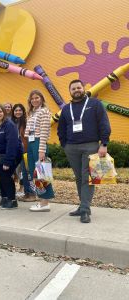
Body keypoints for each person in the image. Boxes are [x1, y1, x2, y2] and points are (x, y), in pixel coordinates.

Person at [58, 79, 111, 223]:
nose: (76, 90)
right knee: (79, 178)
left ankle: (85, 210)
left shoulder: (94, 104)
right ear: (70, 91)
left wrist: (104, 144)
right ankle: (83, 206)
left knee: (87, 177)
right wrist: (64, 144)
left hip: (91, 146)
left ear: (83, 88)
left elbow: (104, 124)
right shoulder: (66, 108)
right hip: (71, 148)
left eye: (78, 88)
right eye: (73, 88)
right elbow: (61, 128)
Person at [24, 90, 55, 212]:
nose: (35, 100)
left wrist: (41, 150)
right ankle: (42, 200)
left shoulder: (44, 111)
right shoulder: (32, 112)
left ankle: (45, 202)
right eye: (32, 98)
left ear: (41, 99)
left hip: (38, 143)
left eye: (37, 98)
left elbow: (44, 131)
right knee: (34, 173)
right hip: (32, 143)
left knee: (42, 173)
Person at [0, 105, 22, 209]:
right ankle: (4, 198)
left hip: (10, 155)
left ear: (4, 113)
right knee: (1, 178)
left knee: (6, 177)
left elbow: (12, 144)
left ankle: (12, 201)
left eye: (0, 112)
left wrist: (8, 161)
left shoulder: (9, 125)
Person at [11, 103, 35, 200]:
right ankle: (27, 193)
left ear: (23, 111)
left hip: (26, 151)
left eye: (20, 110)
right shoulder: (12, 122)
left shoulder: (26, 122)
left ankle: (32, 194)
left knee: (28, 173)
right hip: (16, 152)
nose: (18, 112)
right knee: (21, 173)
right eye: (16, 110)